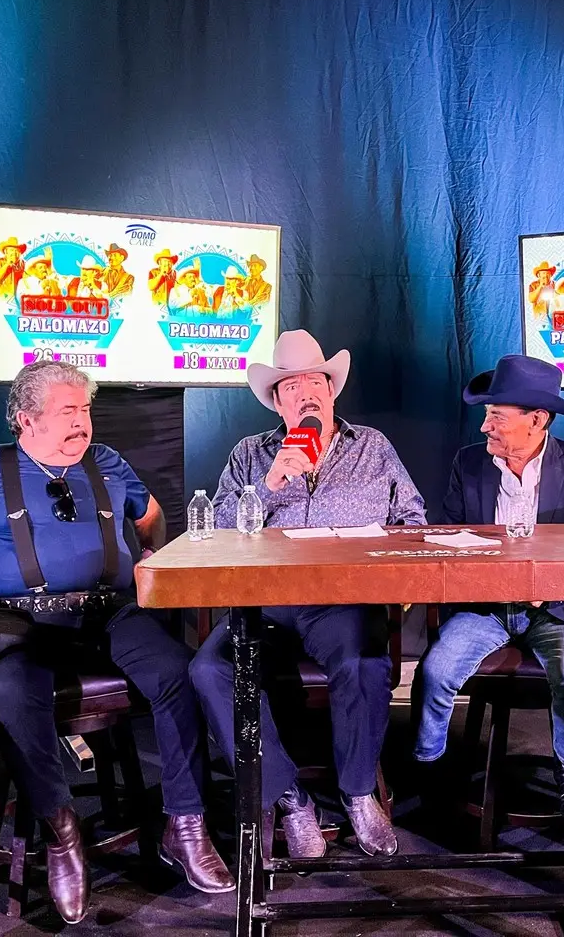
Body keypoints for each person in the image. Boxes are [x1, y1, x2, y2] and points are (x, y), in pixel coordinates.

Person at [0, 362, 234, 924]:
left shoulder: (107, 462)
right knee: (11, 691)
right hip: (21, 621)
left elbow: (149, 514)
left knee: (182, 674)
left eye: (85, 410)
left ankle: (186, 824)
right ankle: (60, 831)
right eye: (68, 413)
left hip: (109, 614)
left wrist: (152, 556)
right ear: (26, 420)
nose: (83, 423)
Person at [190, 329, 426, 861]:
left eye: (315, 382)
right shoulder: (251, 454)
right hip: (264, 605)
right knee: (209, 669)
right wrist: (266, 489)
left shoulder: (373, 447)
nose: (306, 393)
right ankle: (290, 799)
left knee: (365, 661)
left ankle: (360, 793)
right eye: (291, 386)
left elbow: (414, 522)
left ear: (332, 390)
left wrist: (383, 562)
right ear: (277, 402)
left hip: (339, 603)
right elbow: (214, 532)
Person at [413, 355, 564, 823]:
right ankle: (429, 765)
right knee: (436, 670)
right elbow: (448, 536)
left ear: (537, 420)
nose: (485, 427)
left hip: (556, 610)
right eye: (486, 415)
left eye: (496, 416)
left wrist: (553, 586)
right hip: (486, 607)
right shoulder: (470, 464)